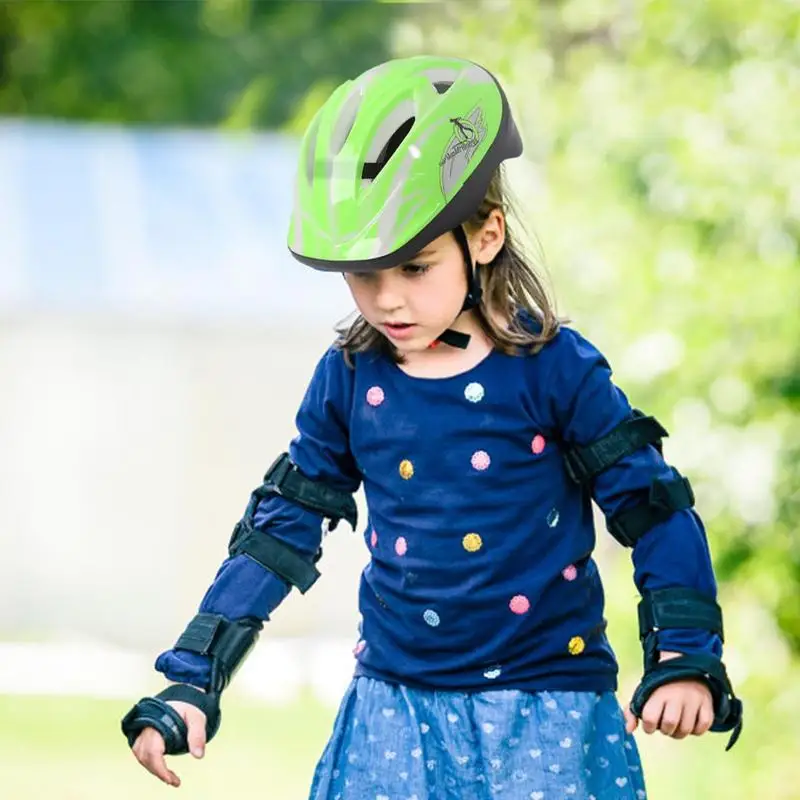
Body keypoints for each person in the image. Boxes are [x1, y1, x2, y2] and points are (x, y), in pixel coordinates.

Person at [121, 55, 742, 799]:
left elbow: (654, 508)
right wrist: (193, 679)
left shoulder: (555, 368)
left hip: (546, 713)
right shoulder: (351, 376)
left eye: (414, 268)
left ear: (484, 237)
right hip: (394, 714)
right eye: (363, 274)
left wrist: (684, 654)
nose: (387, 301)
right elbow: (280, 527)